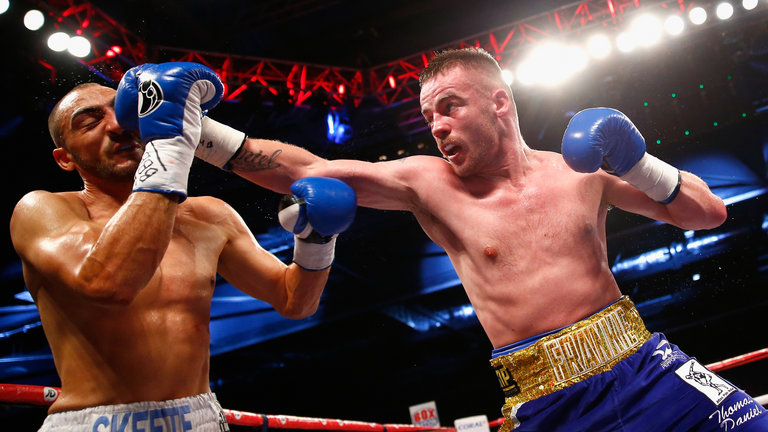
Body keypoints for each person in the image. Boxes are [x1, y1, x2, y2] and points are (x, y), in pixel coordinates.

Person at [185, 47, 768, 431]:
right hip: (549, 401)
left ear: (499, 104)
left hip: (644, 366)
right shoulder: (427, 183)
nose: (436, 126)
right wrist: (199, 130)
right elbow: (303, 171)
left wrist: (639, 162)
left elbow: (708, 213)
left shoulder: (580, 169)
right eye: (428, 116)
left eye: (449, 108)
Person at [9, 63, 357, 432]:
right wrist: (170, 148)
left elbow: (295, 301)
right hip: (99, 421)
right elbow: (109, 283)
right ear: (65, 158)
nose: (116, 124)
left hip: (201, 416)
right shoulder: (43, 211)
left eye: (124, 109)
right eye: (90, 121)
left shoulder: (209, 216)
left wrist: (317, 240)